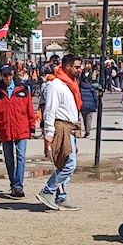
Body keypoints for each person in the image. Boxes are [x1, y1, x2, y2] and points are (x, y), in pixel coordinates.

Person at [38, 54, 83, 212]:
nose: (79, 70)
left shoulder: (70, 84)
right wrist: (49, 133)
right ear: (67, 66)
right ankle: (47, 191)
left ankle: (61, 197)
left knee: (65, 163)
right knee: (69, 164)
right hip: (61, 128)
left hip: (70, 128)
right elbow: (50, 110)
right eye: (76, 67)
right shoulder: (56, 85)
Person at [0, 66, 33, 198]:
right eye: (5, 76)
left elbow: (29, 108)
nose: (8, 78)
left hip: (21, 127)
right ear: (1, 76)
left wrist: (31, 126)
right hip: (4, 128)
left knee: (21, 157)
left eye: (10, 75)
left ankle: (18, 186)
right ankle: (14, 184)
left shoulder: (23, 89)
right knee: (8, 159)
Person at [79, 68, 99, 138]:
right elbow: (95, 97)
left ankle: (86, 131)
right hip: (90, 105)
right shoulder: (91, 88)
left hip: (83, 105)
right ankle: (88, 132)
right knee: (89, 119)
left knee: (84, 118)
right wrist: (96, 105)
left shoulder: (80, 88)